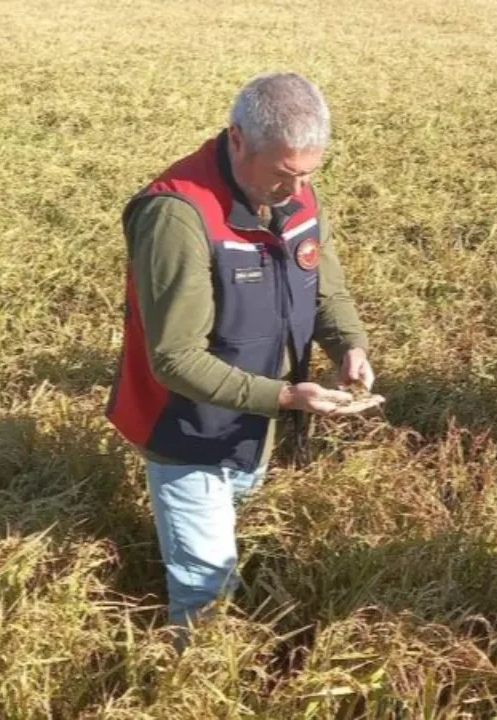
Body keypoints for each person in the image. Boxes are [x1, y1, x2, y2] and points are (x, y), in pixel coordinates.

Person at [105, 72, 378, 633]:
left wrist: (349, 345)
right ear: (237, 140)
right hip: (190, 430)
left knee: (230, 538)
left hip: (258, 425)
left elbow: (324, 288)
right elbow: (175, 359)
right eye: (283, 174)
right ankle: (198, 669)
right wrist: (285, 397)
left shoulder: (295, 193)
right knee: (206, 585)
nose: (296, 190)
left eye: (308, 174)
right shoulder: (178, 215)